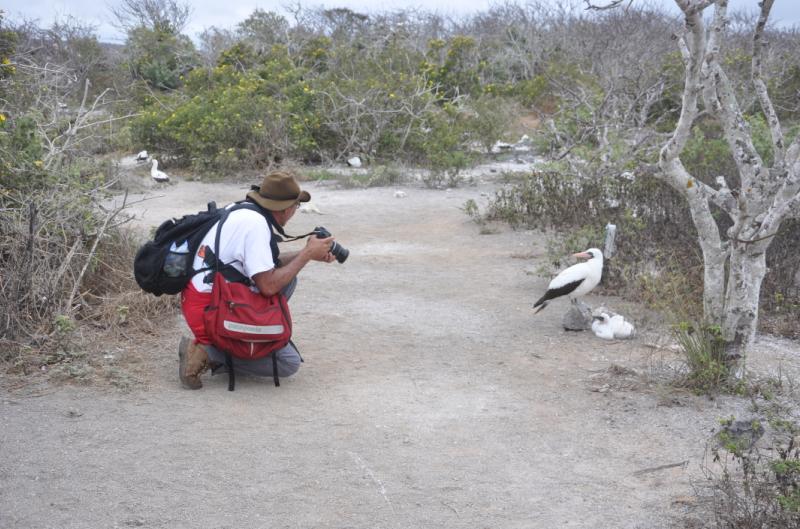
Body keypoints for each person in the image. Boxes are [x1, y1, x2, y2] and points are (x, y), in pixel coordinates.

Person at [178, 170, 335, 389]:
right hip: (211, 310)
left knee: (289, 278)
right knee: (287, 363)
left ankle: (245, 339)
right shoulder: (256, 225)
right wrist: (306, 255)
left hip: (201, 299)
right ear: (286, 208)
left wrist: (307, 254)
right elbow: (268, 286)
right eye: (296, 206)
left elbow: (263, 263)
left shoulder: (243, 212)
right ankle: (209, 352)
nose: (295, 211)